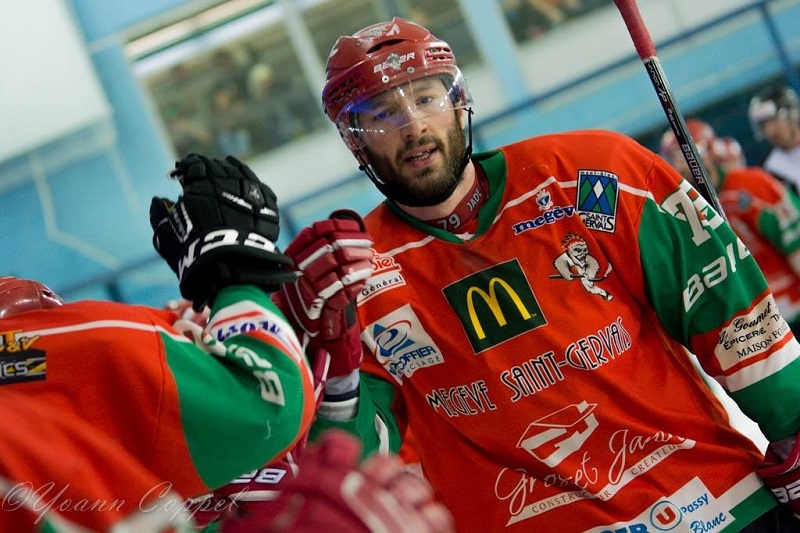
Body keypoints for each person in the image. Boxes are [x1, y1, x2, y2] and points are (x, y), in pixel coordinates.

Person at [274, 18, 800, 532]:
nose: (412, 126)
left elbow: (723, 303)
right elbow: (360, 462)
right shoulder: (355, 280)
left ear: (459, 102)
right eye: (382, 113)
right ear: (354, 141)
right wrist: (330, 375)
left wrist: (793, 426)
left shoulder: (596, 173)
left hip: (717, 510)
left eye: (426, 98)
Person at [0, 154, 454, 533]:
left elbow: (335, 459)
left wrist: (330, 368)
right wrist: (234, 273)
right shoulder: (59, 348)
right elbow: (270, 403)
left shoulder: (100, 467)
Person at [660, 119, 800, 336]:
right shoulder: (681, 215)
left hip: (790, 309)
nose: (680, 166)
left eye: (683, 155)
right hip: (751, 327)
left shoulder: (749, 187)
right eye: (674, 159)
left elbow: (795, 245)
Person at [748, 84, 800, 193]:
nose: (769, 131)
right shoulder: (769, 169)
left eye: (773, 120)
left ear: (791, 114)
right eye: (763, 126)